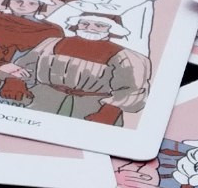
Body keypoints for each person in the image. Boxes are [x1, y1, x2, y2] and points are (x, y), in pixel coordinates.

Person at [18, 10, 152, 123]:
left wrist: (108, 113)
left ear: (111, 29)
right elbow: (25, 65)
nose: (90, 28)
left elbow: (133, 89)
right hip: (42, 99)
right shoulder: (52, 43)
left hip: (93, 107)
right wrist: (15, 83)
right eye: (85, 23)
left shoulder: (125, 56)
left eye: (100, 25)